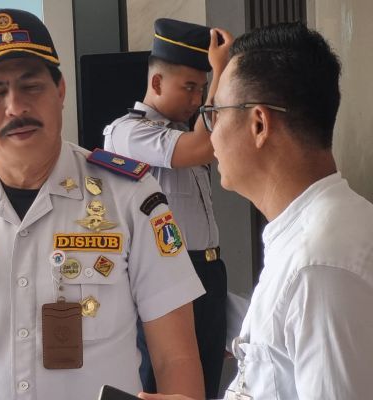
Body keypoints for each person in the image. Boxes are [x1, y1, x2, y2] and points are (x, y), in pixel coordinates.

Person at [0, 9, 206, 400]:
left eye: (31, 86)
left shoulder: (131, 197)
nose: (16, 107)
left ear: (60, 91)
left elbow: (175, 358)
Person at [139, 22, 373, 400]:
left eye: (215, 112)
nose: (211, 132)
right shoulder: (307, 236)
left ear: (259, 124)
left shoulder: (318, 266)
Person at [103, 19, 233, 398]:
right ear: (157, 83)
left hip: (208, 271)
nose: (196, 99)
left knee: (205, 386)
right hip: (166, 275)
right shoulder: (127, 131)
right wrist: (221, 69)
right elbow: (203, 148)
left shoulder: (185, 131)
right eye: (189, 87)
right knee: (160, 384)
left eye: (202, 89)